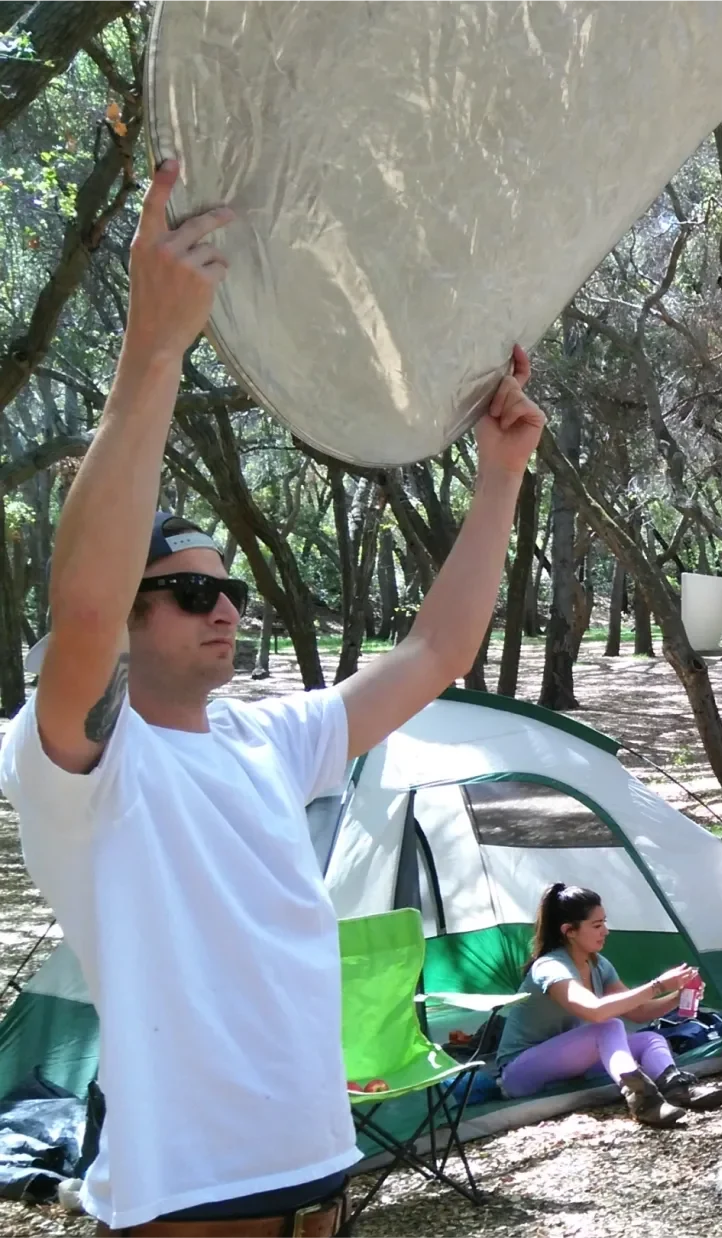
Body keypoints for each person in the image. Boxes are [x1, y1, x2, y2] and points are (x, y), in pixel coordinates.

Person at [0, 159, 546, 1234]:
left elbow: (434, 649)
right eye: (192, 590)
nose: (225, 609)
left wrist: (500, 478)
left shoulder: (272, 739)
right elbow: (85, 609)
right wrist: (154, 346)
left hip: (318, 1191)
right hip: (187, 1211)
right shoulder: (81, 763)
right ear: (136, 614)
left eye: (232, 589)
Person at [494, 883, 722, 1126]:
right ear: (569, 931)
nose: (605, 931)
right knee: (607, 1026)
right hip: (519, 1074)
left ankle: (679, 1090)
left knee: (652, 1039)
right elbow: (595, 1012)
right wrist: (658, 984)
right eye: (597, 925)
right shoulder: (551, 967)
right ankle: (644, 1103)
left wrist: (677, 997)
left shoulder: (599, 965)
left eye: (604, 922)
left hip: (567, 1065)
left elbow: (638, 1012)